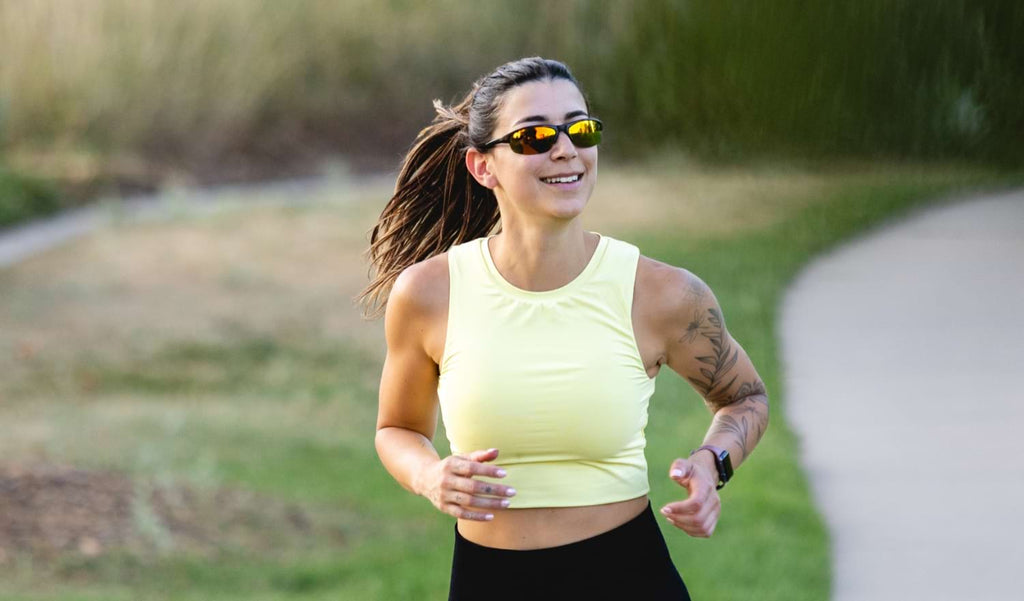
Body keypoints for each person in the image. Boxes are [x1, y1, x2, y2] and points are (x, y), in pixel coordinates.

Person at [358, 57, 769, 600]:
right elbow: (398, 431)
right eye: (533, 136)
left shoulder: (662, 294)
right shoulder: (430, 294)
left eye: (580, 128)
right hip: (488, 583)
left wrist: (710, 464)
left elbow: (746, 398)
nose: (565, 148)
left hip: (629, 579)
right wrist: (429, 477)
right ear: (483, 167)